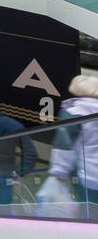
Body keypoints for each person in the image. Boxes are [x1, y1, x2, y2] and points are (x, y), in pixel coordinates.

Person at [44, 75, 98, 208]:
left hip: (88, 176)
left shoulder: (73, 113)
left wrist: (57, 174)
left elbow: (64, 146)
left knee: (90, 212)